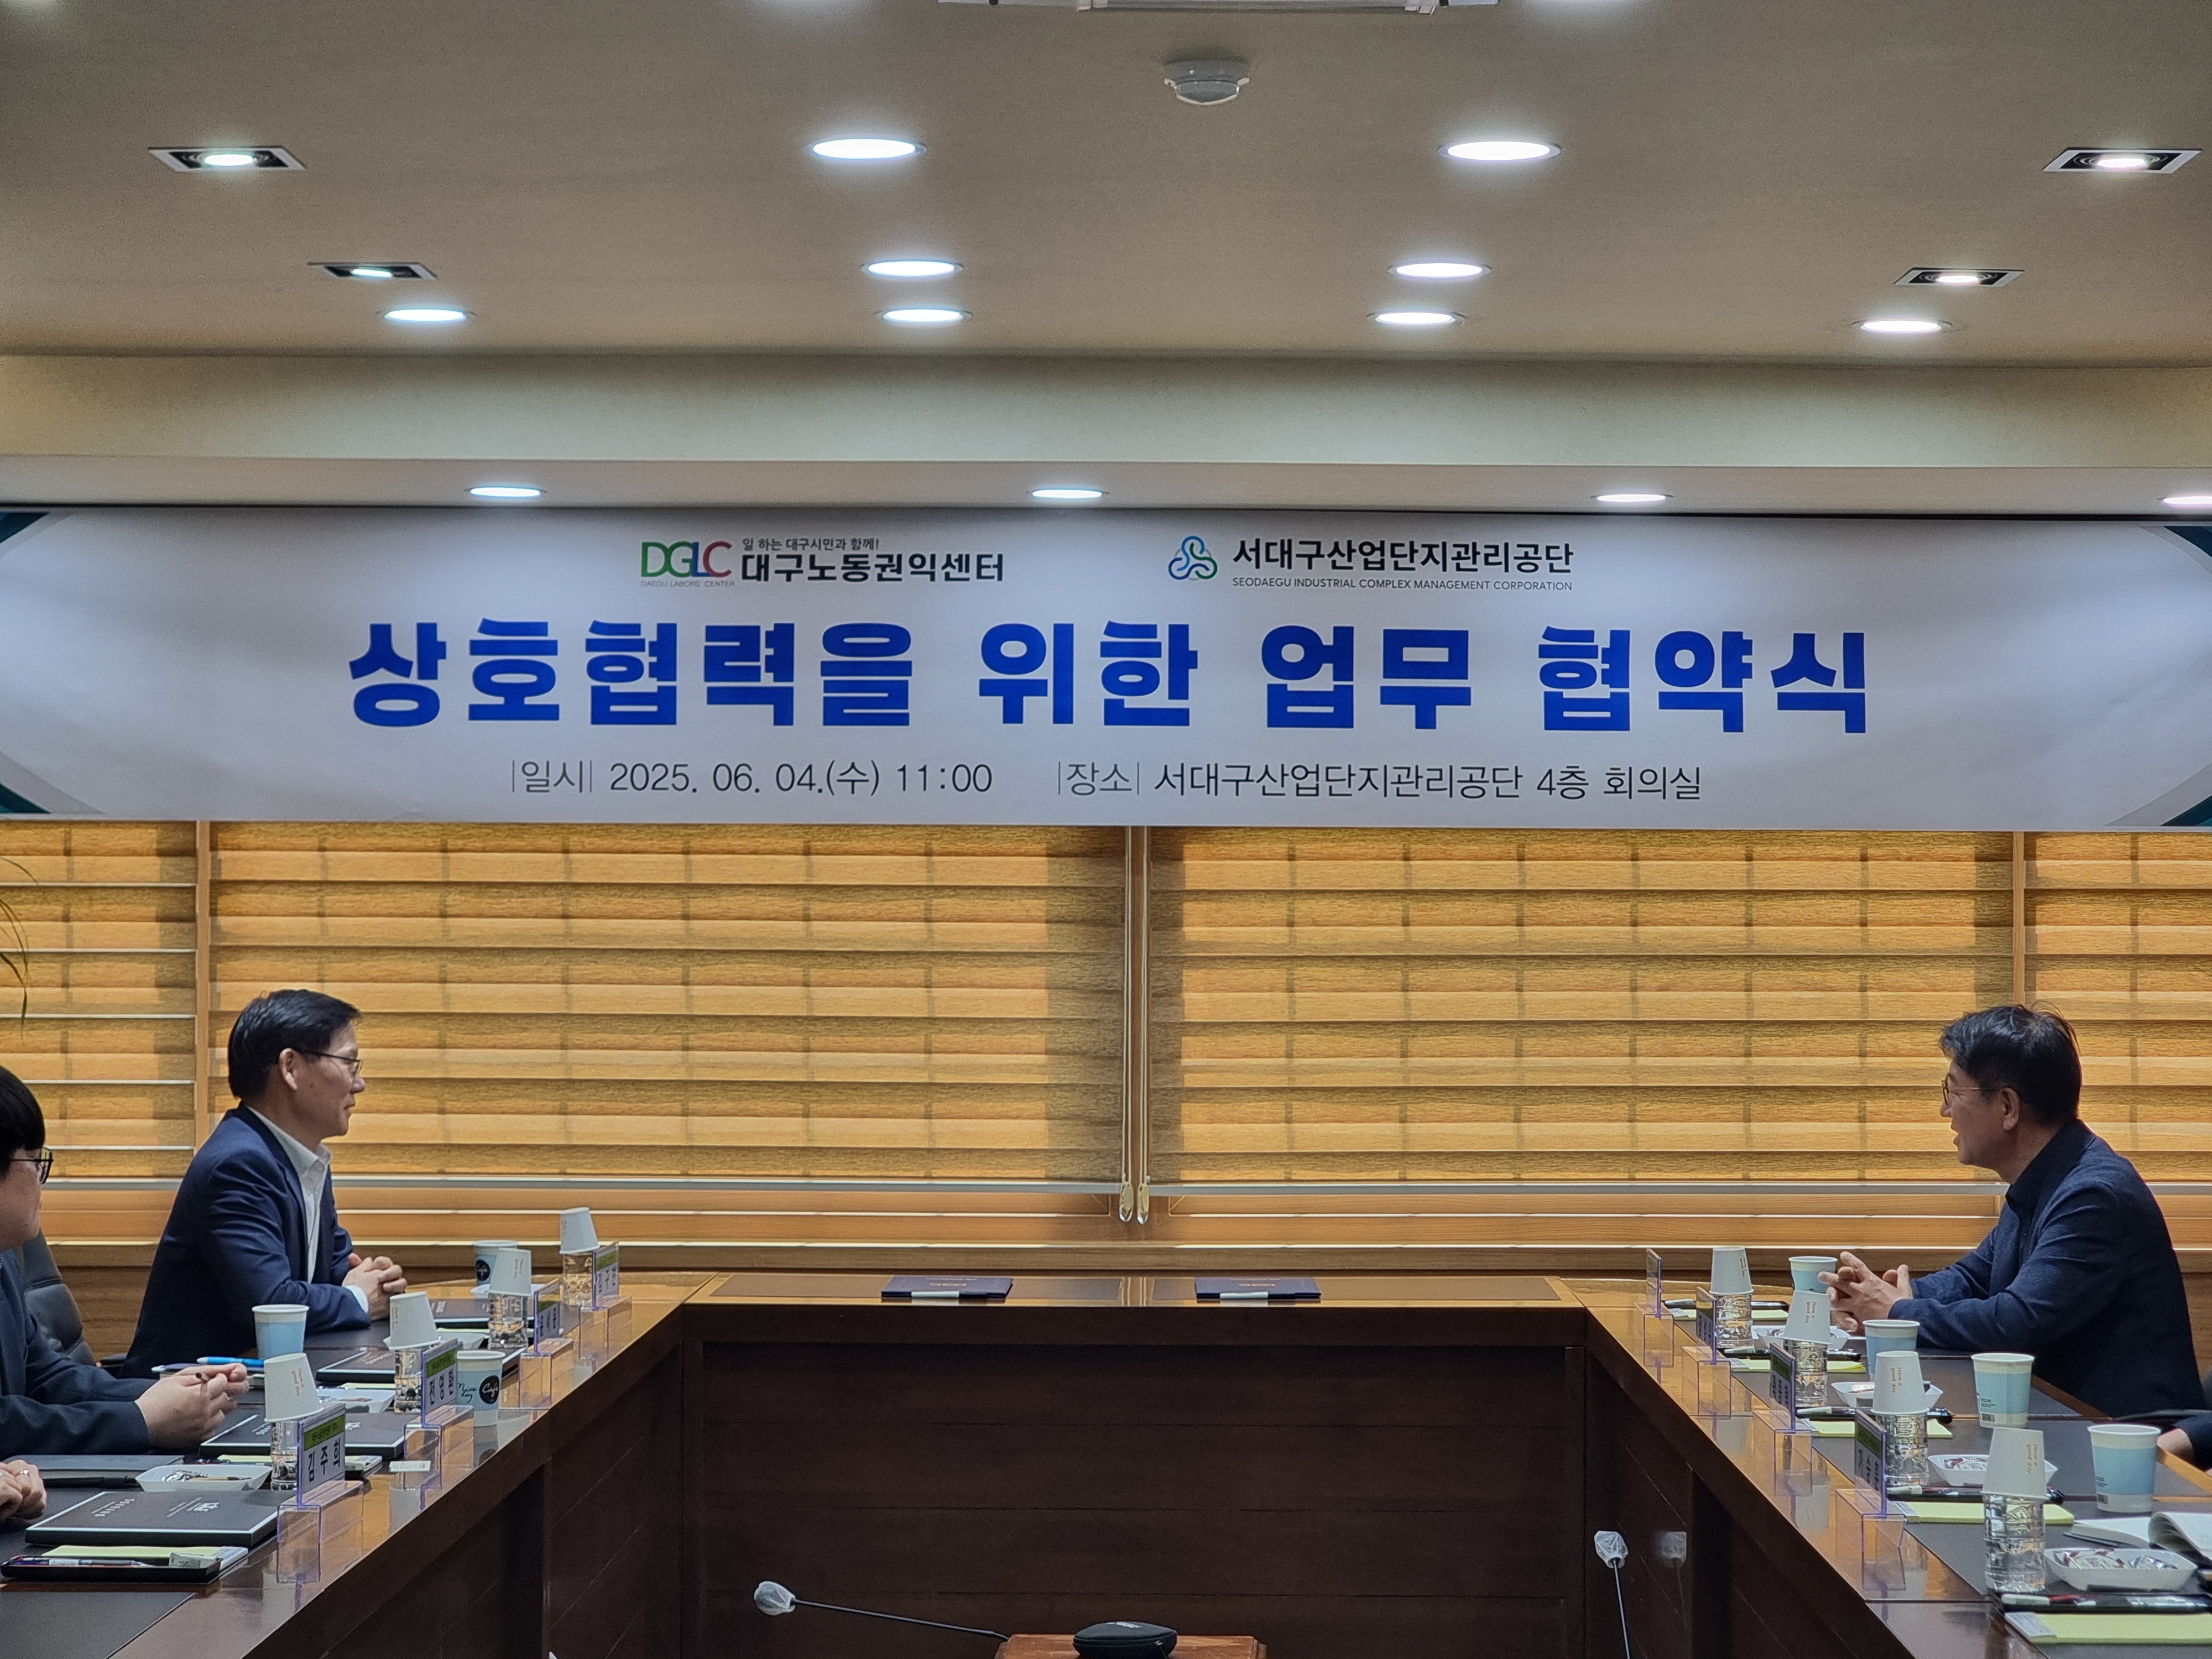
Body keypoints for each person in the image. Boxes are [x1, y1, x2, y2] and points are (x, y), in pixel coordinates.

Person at [1824, 1005, 2200, 1417]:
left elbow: (2017, 1323)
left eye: (1954, 1092)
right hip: (2058, 1421)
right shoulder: (2047, 1174)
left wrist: (1897, 1312)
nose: (1945, 1111)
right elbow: (1974, 1277)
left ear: (2007, 1107)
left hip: (2129, 1438)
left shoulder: (2092, 1195)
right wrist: (1878, 1297)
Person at [125, 990, 406, 1372]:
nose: (360, 1084)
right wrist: (359, 1297)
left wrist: (376, 1281)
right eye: (349, 1063)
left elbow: (336, 1269)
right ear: (290, 1068)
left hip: (268, 1384)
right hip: (193, 1396)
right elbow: (271, 1303)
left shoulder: (301, 1156)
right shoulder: (239, 1164)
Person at [0, 1065, 248, 1493]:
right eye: (35, 1161)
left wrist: (174, 1392)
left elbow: (46, 1378)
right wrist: (140, 1419)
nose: (42, 1181)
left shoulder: (5, 1260)